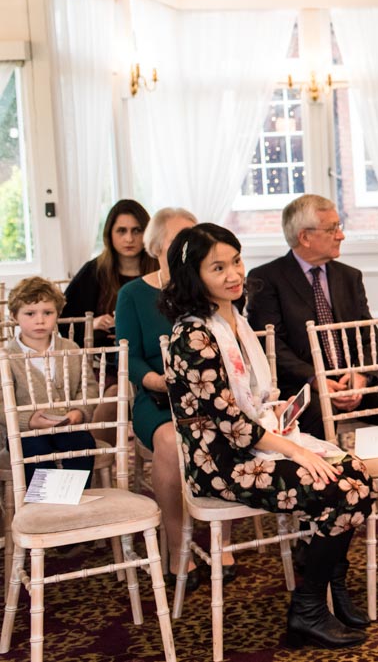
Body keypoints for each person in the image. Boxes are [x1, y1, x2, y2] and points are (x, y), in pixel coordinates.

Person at [161, 223, 377, 649]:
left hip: (254, 445)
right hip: (223, 465)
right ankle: (309, 608)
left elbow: (252, 402)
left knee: (357, 477)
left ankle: (327, 590)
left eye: (236, 261)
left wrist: (280, 414)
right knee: (347, 490)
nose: (233, 274)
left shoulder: (232, 318)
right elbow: (233, 427)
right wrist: (294, 450)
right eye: (217, 268)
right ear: (193, 277)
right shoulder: (194, 337)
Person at [245, 194, 378, 550]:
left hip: (352, 381)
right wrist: (318, 379)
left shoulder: (348, 276)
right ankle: (318, 529)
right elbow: (272, 348)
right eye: (333, 228)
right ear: (305, 236)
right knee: (313, 428)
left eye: (339, 226)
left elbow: (367, 333)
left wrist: (361, 376)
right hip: (304, 389)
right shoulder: (266, 280)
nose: (341, 235)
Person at [116, 206, 221, 591]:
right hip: (156, 399)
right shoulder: (133, 294)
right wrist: (156, 380)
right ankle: (178, 548)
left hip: (207, 396)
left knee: (225, 431)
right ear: (158, 245)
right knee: (170, 441)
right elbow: (127, 356)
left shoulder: (204, 288)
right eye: (181, 238)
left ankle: (221, 540)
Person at [62, 199, 158, 445]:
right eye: (121, 231)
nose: (129, 239)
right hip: (104, 365)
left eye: (136, 231)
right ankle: (96, 459)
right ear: (109, 234)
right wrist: (91, 325)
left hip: (151, 362)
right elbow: (62, 323)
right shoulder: (93, 272)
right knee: (115, 395)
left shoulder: (159, 272)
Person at [3, 277, 96, 487]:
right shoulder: (6, 357)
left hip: (67, 424)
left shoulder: (70, 348)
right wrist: (28, 420)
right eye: (30, 314)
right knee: (37, 451)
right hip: (26, 431)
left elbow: (88, 387)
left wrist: (79, 411)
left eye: (48, 313)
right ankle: (46, 506)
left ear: (57, 314)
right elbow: (1, 404)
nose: (40, 320)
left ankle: (74, 497)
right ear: (14, 316)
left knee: (82, 444)